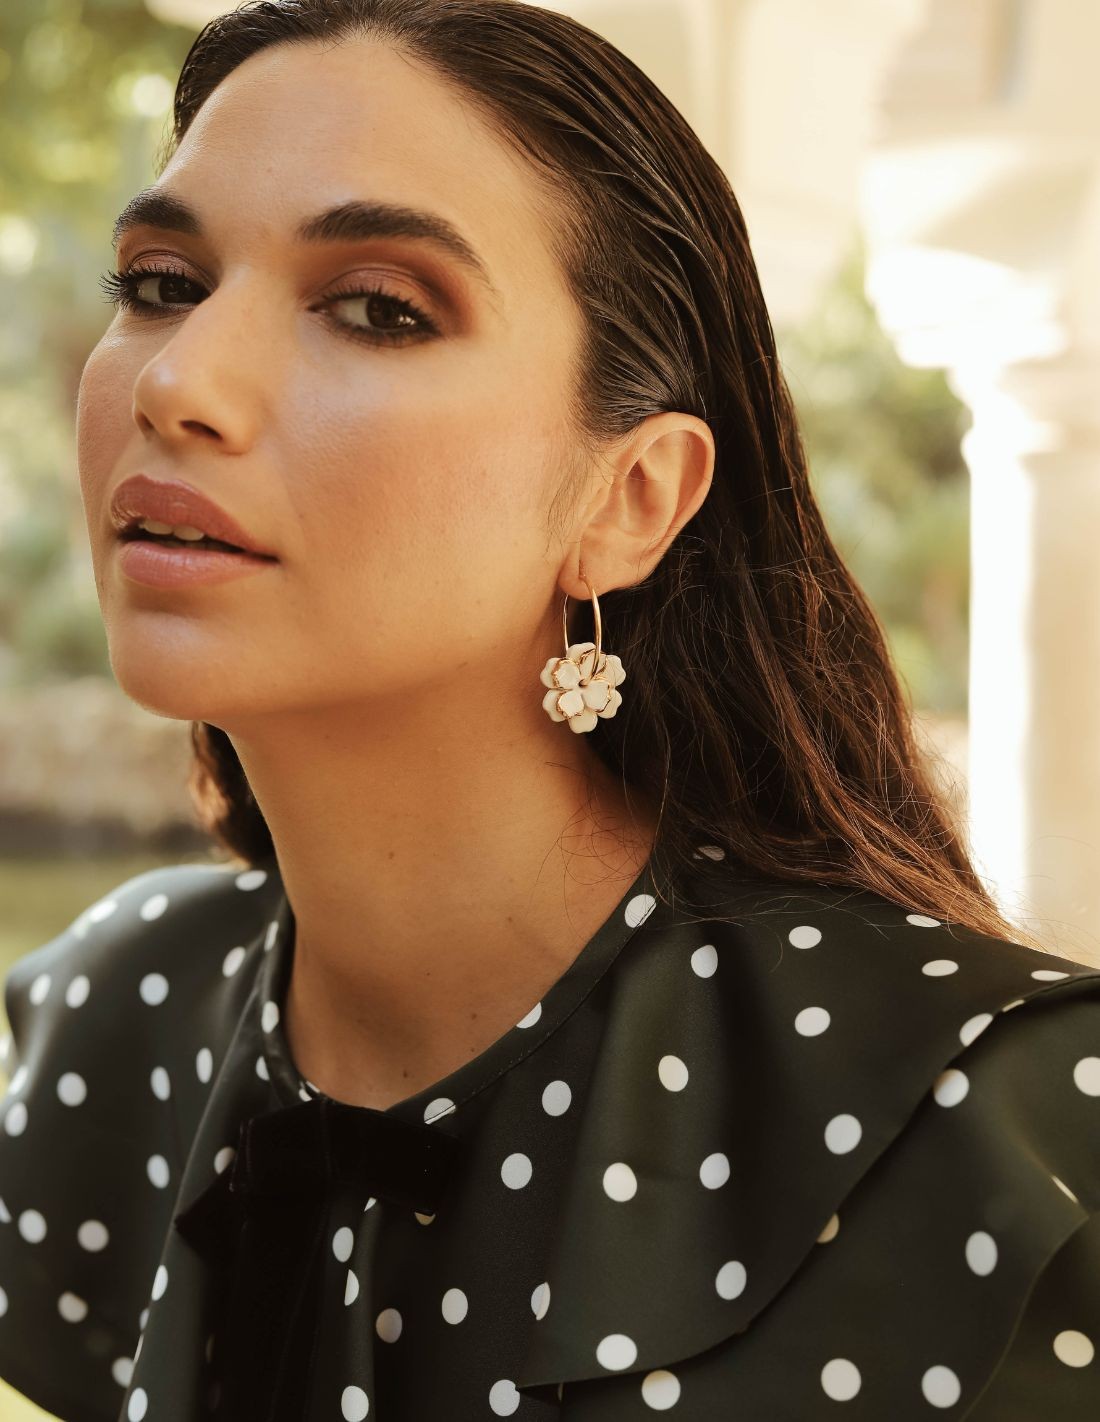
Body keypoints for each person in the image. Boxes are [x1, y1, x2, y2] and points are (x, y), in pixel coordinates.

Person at [1, 1, 1097, 1418]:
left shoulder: (998, 1137)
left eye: (379, 309)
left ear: (630, 499)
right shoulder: (117, 1024)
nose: (178, 380)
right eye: (161, 282)